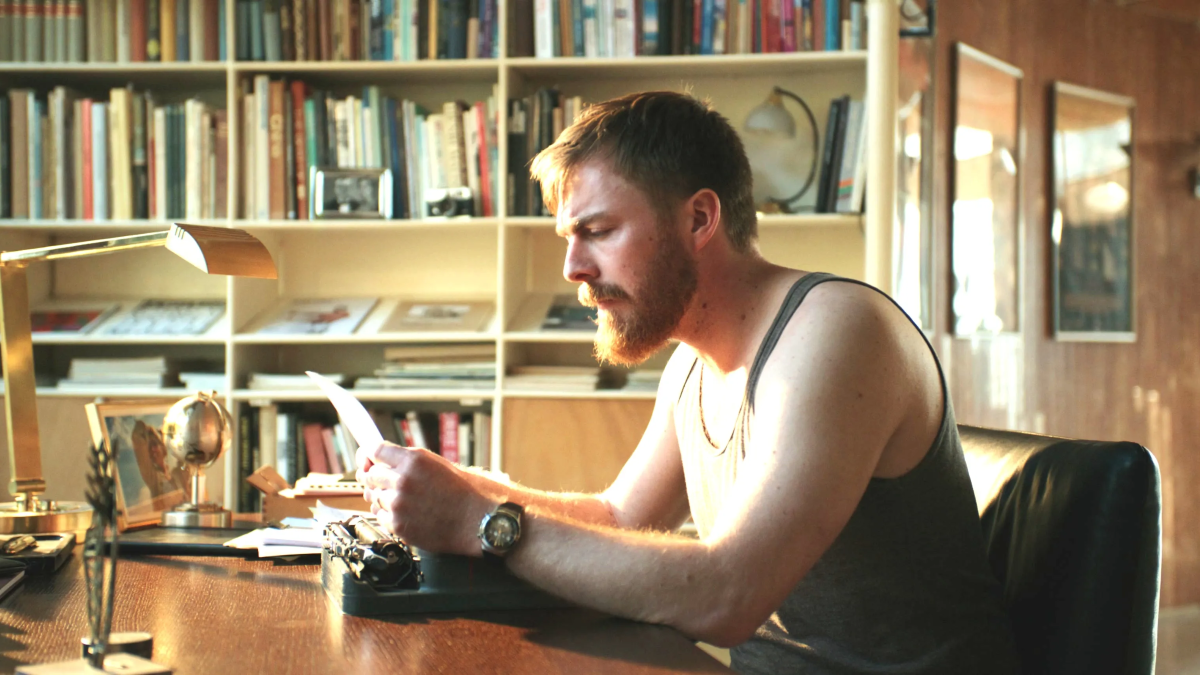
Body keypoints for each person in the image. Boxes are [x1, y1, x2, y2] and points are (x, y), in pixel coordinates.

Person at [358, 91, 1020, 673]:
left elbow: (726, 593)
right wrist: (456, 489)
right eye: (569, 236)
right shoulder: (693, 363)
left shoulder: (838, 330)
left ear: (699, 219)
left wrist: (481, 520)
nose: (572, 267)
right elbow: (620, 516)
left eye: (598, 231)